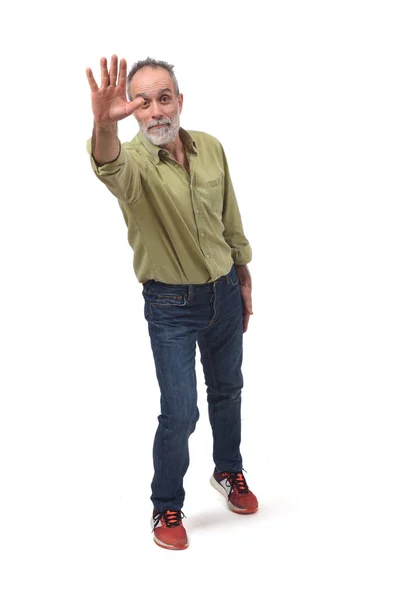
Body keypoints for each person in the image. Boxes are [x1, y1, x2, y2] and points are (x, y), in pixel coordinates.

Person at [85, 55, 258, 550]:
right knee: (180, 412)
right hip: (171, 306)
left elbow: (230, 216)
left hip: (224, 292)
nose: (156, 111)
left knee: (228, 391)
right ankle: (166, 506)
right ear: (132, 112)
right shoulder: (134, 164)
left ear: (179, 102)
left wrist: (242, 273)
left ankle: (229, 471)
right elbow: (108, 163)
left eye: (164, 98)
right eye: (142, 102)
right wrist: (102, 124)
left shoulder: (211, 148)